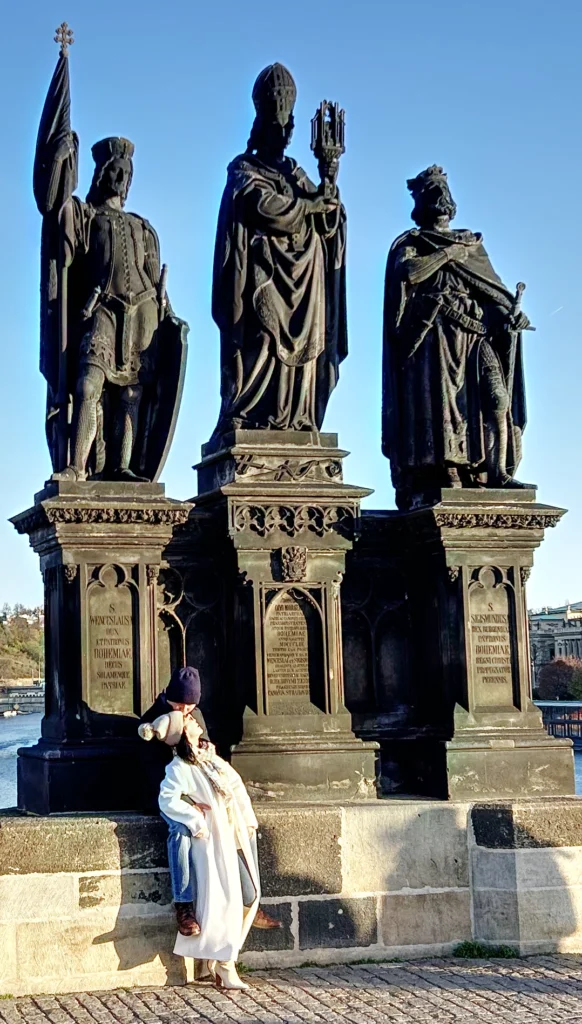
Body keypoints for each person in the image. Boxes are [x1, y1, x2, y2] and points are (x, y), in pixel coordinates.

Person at [382, 165, 531, 511]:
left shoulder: (472, 244)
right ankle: (448, 469)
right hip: (434, 338)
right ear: (420, 202)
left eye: (442, 190)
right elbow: (409, 273)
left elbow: (493, 292)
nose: (439, 198)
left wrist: (511, 315)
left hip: (475, 337)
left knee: (498, 400)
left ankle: (498, 470)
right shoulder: (412, 244)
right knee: (444, 410)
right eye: (431, 191)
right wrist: (447, 254)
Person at [211, 63, 347, 439]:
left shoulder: (296, 173)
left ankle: (296, 417)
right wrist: (309, 207)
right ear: (261, 127)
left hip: (306, 283)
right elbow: (259, 205)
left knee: (303, 356)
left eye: (287, 127)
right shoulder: (243, 169)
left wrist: (329, 183)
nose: (284, 135)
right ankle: (253, 412)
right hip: (266, 276)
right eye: (277, 127)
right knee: (263, 341)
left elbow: (329, 217)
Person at [139, 666, 280, 941]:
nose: (188, 711)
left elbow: (207, 756)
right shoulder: (156, 720)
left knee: (242, 828)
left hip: (203, 794)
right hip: (169, 793)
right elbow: (155, 777)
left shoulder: (194, 716)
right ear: (174, 699)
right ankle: (184, 905)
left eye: (192, 705)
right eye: (184, 705)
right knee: (180, 832)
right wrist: (190, 802)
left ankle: (249, 902)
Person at [158, 714, 264, 989]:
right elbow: (167, 800)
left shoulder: (211, 757)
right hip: (213, 840)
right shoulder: (179, 767)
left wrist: (248, 818)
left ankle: (221, 958)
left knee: (251, 895)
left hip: (235, 832)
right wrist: (196, 822)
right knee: (226, 901)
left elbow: (236, 785)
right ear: (183, 733)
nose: (194, 719)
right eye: (188, 719)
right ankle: (225, 965)